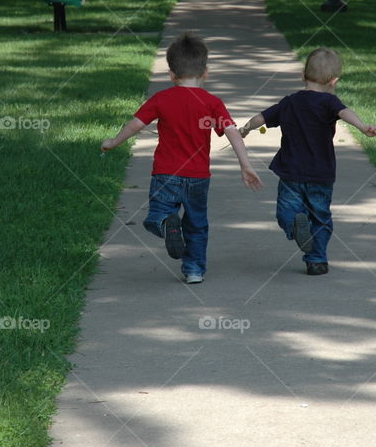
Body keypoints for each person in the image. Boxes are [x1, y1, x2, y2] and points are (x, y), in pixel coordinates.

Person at [102, 33, 263, 283]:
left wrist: (112, 143)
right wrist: (246, 165)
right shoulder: (212, 103)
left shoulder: (161, 99)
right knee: (197, 225)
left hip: (166, 174)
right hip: (198, 178)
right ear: (206, 72)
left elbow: (135, 125)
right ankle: (194, 270)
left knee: (157, 215)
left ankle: (166, 223)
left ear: (171, 74)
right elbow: (232, 132)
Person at [239, 47, 376, 275]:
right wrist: (363, 127)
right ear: (334, 81)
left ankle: (295, 223)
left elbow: (262, 117)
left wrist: (245, 128)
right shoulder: (330, 102)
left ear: (303, 76)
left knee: (286, 211)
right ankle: (317, 260)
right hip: (320, 174)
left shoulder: (290, 102)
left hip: (291, 173)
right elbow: (346, 112)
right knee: (320, 216)